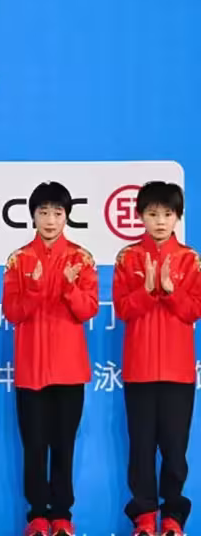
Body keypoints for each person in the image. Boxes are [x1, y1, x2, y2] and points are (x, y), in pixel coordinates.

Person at [1, 182, 98, 536]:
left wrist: (69, 287)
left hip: (69, 370)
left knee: (63, 444)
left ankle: (62, 515)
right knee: (34, 444)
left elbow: (87, 310)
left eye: (58, 212)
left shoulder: (81, 259)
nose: (51, 220)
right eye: (43, 212)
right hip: (31, 371)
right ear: (33, 216)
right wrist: (37, 289)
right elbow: (12, 312)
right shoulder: (19, 260)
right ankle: (37, 516)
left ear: (67, 216)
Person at [113, 181, 200, 536]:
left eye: (167, 213)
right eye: (152, 214)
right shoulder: (128, 258)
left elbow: (194, 310)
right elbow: (122, 309)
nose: (160, 221)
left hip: (179, 372)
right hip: (140, 370)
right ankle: (145, 516)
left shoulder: (190, 259)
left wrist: (172, 291)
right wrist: (147, 291)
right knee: (142, 448)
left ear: (178, 217)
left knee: (175, 450)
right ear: (140, 216)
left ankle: (173, 517)